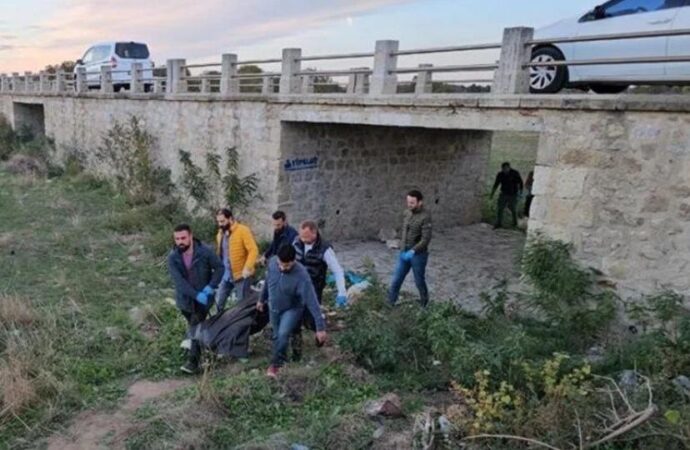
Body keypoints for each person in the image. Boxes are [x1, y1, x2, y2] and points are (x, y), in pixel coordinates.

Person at [258, 244, 327, 378]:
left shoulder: (301, 275)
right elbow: (268, 282)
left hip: (292, 308)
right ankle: (289, 357)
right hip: (274, 308)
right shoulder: (272, 263)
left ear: (294, 261)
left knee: (283, 334)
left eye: (287, 266)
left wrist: (320, 327)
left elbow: (312, 301)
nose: (283, 268)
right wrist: (261, 299)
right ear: (277, 259)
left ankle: (276, 365)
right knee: (277, 336)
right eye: (281, 265)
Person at [167, 223, 224, 374]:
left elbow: (220, 268)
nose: (180, 242)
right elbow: (180, 282)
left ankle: (193, 362)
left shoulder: (205, 251)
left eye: (183, 238)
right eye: (177, 238)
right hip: (185, 301)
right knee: (195, 328)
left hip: (204, 300)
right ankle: (209, 348)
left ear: (191, 236)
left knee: (195, 324)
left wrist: (211, 286)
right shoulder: (173, 258)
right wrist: (196, 295)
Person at [291, 220, 347, 361]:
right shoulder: (296, 242)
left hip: (314, 290)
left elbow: (337, 270)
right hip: (296, 289)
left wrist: (342, 292)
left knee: (312, 320)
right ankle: (296, 354)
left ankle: (320, 340)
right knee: (295, 321)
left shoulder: (325, 249)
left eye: (306, 237)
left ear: (314, 233)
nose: (302, 240)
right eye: (301, 236)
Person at [388, 190, 432, 307]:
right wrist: (400, 244)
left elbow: (426, 239)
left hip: (418, 255)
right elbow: (404, 231)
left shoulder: (425, 217)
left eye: (412, 203)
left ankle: (424, 304)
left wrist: (413, 250)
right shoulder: (406, 213)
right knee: (396, 279)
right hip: (404, 252)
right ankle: (390, 303)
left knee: (419, 281)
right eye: (408, 202)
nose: (409, 205)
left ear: (420, 202)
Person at [214, 208, 259, 311]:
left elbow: (253, 250)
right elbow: (221, 254)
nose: (220, 224)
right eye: (218, 222)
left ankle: (246, 324)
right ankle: (220, 324)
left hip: (241, 276)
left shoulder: (243, 230)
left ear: (230, 219)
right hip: (226, 276)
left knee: (242, 306)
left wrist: (247, 268)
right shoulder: (220, 234)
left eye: (222, 221)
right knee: (218, 302)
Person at [490, 162, 523, 229]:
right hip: (504, 194)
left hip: (513, 194)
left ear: (509, 167)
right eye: (503, 169)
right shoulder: (500, 174)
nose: (504, 170)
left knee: (513, 209)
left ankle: (515, 223)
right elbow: (496, 184)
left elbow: (520, 182)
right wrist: (492, 194)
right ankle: (498, 223)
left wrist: (520, 192)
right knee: (500, 208)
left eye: (505, 169)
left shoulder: (515, 173)